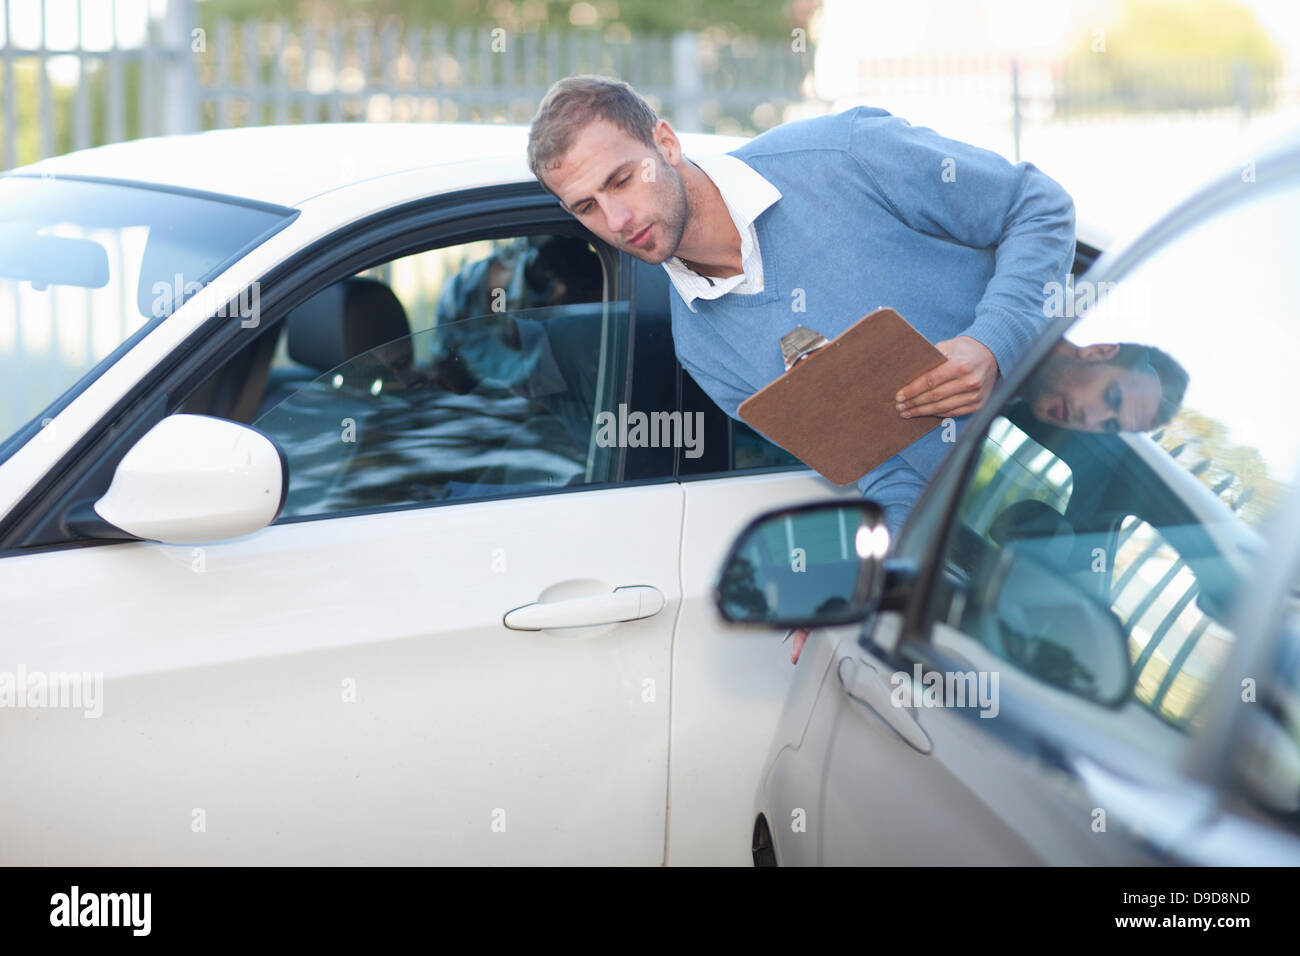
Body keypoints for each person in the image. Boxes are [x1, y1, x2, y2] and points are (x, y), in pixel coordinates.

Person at [527, 75, 1078, 662]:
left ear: (665, 142)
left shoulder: (842, 153)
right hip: (998, 567)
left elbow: (1039, 207)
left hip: (1104, 457)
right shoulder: (704, 350)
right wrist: (852, 578)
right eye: (586, 206)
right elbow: (886, 471)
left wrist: (991, 342)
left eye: (621, 179)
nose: (615, 219)